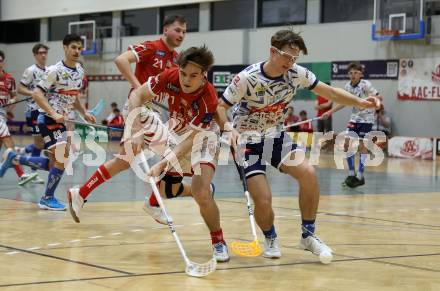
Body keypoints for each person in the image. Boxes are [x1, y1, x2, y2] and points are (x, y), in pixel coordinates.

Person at [215, 30, 380, 262]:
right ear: (273, 51)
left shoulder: (296, 74)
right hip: (247, 142)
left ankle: (308, 235)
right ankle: (270, 237)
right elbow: (220, 107)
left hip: (276, 138)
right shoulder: (246, 78)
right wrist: (227, 127)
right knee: (263, 199)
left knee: (309, 174)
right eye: (287, 56)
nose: (291, 63)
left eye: (295, 58)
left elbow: (330, 91)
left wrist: (360, 102)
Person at [67, 46, 230, 262]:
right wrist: (134, 131)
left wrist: (163, 164)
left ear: (204, 75)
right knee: (152, 178)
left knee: (200, 192)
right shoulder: (170, 75)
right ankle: (151, 201)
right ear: (178, 69)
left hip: (201, 139)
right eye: (183, 73)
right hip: (175, 131)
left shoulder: (207, 97)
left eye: (193, 75)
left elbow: (191, 140)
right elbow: (137, 95)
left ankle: (218, 240)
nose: (186, 80)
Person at [105, 14, 189, 220]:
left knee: (123, 161)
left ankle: (79, 194)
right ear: (166, 29)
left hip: (155, 111)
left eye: (184, 32)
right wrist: (137, 86)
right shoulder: (152, 47)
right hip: (139, 106)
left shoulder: (176, 59)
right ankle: (153, 203)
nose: (181, 35)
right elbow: (121, 59)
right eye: (177, 30)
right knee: (174, 151)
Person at [0, 34, 96, 210]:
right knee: (63, 157)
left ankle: (16, 158)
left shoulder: (80, 71)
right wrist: (53, 112)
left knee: (54, 163)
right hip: (48, 119)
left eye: (79, 48)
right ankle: (47, 198)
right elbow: (37, 93)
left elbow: (73, 96)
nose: (77, 51)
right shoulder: (54, 70)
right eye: (73, 47)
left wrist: (84, 112)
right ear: (65, 48)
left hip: (60, 121)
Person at [322, 62, 382, 188]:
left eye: (356, 73)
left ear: (360, 74)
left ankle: (360, 175)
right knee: (347, 145)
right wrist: (329, 112)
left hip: (367, 119)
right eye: (351, 73)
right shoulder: (348, 87)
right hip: (354, 119)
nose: (353, 75)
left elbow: (379, 97)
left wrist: (372, 101)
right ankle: (351, 173)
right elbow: (343, 102)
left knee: (361, 146)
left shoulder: (366, 85)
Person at [0, 50, 37, 185]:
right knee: (9, 144)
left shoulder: (10, 79)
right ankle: (22, 174)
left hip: (3, 115)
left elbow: (14, 96)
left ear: (3, 62)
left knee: (3, 146)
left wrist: (11, 103)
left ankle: (21, 174)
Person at [17, 43, 50, 185]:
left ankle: (23, 152)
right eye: (41, 53)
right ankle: (32, 172)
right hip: (34, 111)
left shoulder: (49, 71)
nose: (43, 55)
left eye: (45, 53)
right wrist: (34, 93)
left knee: (44, 143)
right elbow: (20, 89)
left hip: (45, 110)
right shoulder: (31, 70)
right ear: (35, 55)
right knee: (40, 143)